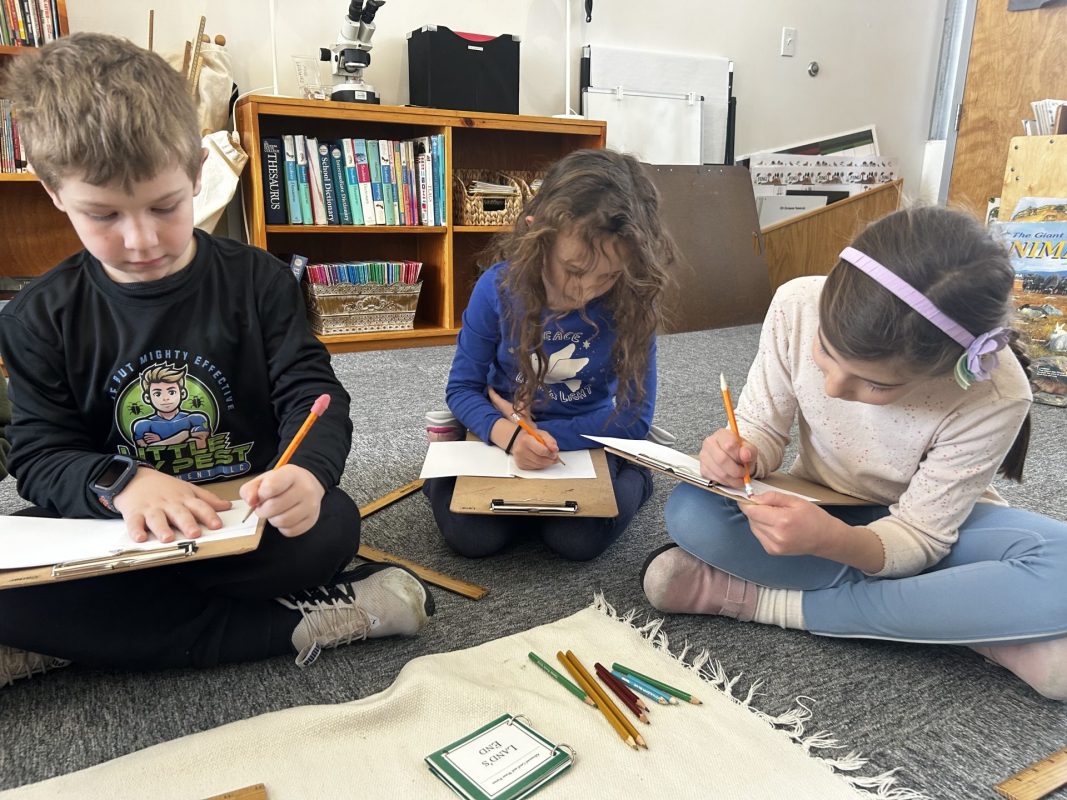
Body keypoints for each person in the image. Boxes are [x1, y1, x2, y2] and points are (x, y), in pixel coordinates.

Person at [0, 33, 433, 689]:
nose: (141, 238)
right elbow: (39, 456)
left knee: (331, 526)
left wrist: (308, 475)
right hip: (121, 531)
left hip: (242, 522)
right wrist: (122, 484)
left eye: (165, 206)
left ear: (199, 171)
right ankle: (293, 624)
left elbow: (313, 398)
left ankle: (81, 637)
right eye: (104, 215)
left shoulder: (259, 282)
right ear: (53, 191)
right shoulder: (38, 316)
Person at [642, 205, 1067, 701]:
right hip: (818, 501)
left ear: (944, 368)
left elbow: (922, 534)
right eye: (825, 350)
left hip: (929, 525)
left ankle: (759, 601)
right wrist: (743, 451)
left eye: (875, 384)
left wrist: (835, 544)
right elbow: (762, 428)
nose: (833, 387)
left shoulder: (996, 393)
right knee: (693, 510)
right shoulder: (798, 304)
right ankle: (970, 620)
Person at [423, 149, 678, 560]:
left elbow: (633, 416)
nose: (585, 291)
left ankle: (637, 473)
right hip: (506, 431)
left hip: (588, 434)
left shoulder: (632, 300)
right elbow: (462, 389)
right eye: (574, 270)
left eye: (609, 275)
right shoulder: (496, 289)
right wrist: (510, 437)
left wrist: (548, 440)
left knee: (577, 541)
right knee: (470, 536)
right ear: (536, 236)